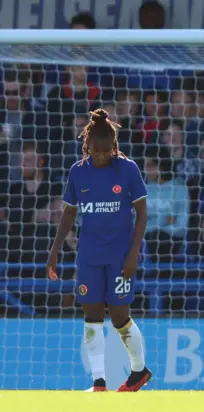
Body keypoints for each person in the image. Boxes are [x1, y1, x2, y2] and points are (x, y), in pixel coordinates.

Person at [46, 109, 152, 392]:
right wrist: (55, 249)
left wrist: (133, 253)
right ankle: (98, 382)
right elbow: (68, 215)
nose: (101, 155)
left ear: (113, 147)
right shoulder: (78, 172)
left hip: (119, 257)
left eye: (105, 151)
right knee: (91, 316)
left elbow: (142, 214)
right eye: (95, 150)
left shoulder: (128, 169)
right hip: (89, 256)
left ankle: (139, 372)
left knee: (119, 317)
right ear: (87, 146)